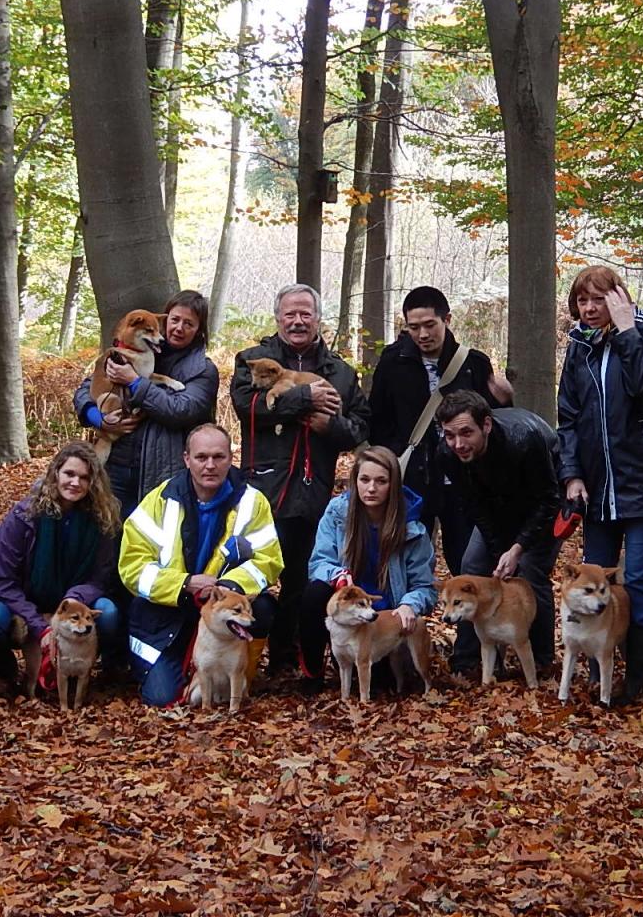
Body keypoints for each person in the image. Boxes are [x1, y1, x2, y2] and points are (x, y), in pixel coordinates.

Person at [230, 283, 370, 675]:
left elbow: (359, 428)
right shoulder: (251, 359)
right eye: (289, 314)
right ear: (277, 319)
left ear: (318, 319)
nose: (297, 321)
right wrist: (305, 399)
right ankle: (243, 661)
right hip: (263, 487)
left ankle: (291, 661)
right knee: (250, 573)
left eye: (305, 313)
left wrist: (330, 425)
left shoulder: (341, 372)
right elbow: (247, 407)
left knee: (301, 578)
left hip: (315, 489)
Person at [557, 265, 643, 703]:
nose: (589, 308)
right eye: (583, 300)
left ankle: (641, 672)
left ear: (619, 299)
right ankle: (594, 668)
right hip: (596, 485)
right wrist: (571, 473)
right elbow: (568, 417)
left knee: (639, 579)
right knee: (592, 576)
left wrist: (626, 332)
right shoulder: (578, 349)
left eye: (599, 299)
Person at [118, 424, 284, 706]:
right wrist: (184, 584)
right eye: (201, 457)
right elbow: (132, 566)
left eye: (219, 457)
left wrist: (229, 588)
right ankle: (182, 672)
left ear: (230, 459)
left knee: (264, 607)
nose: (210, 465)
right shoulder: (158, 500)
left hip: (222, 613)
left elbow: (268, 561)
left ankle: (237, 679)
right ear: (186, 459)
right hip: (168, 616)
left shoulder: (252, 502)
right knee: (160, 698)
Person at [368, 285, 511, 576]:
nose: (422, 335)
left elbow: (492, 424)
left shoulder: (473, 362)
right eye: (414, 327)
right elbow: (378, 420)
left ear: (447, 319)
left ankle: (466, 622)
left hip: (463, 483)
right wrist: (395, 457)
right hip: (411, 481)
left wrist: (505, 399)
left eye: (429, 325)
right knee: (406, 566)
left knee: (469, 565)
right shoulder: (393, 361)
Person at [0, 442, 123, 689]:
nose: (76, 482)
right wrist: (39, 624)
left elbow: (100, 578)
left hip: (73, 602)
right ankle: (6, 671)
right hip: (22, 599)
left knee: (109, 612)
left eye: (84, 478)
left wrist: (73, 600)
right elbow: (3, 580)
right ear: (55, 474)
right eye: (69, 474)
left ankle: (80, 672)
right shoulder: (24, 516)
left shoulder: (101, 520)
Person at [436, 390, 561, 675]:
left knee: (530, 570)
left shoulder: (524, 439)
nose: (458, 444)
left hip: (541, 503)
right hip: (495, 507)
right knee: (473, 566)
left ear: (487, 425)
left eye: (466, 433)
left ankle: (541, 660)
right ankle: (470, 658)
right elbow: (473, 504)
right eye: (450, 435)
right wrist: (497, 550)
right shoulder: (446, 453)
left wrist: (517, 548)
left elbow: (548, 499)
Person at [298, 446, 437, 694]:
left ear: (393, 485)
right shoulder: (337, 513)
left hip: (384, 618)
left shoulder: (413, 528)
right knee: (313, 594)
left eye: (381, 481)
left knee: (383, 686)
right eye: (365, 479)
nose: (371, 488)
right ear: (355, 481)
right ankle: (313, 674)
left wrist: (409, 605)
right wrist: (336, 574)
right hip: (350, 607)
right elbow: (318, 563)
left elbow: (424, 586)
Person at [74, 289, 218, 517]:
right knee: (110, 538)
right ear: (165, 319)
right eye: (175, 320)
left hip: (164, 469)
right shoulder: (137, 349)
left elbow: (180, 410)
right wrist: (96, 417)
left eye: (189, 324)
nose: (179, 328)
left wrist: (134, 383)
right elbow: (87, 387)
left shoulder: (203, 370)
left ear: (199, 330)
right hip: (118, 464)